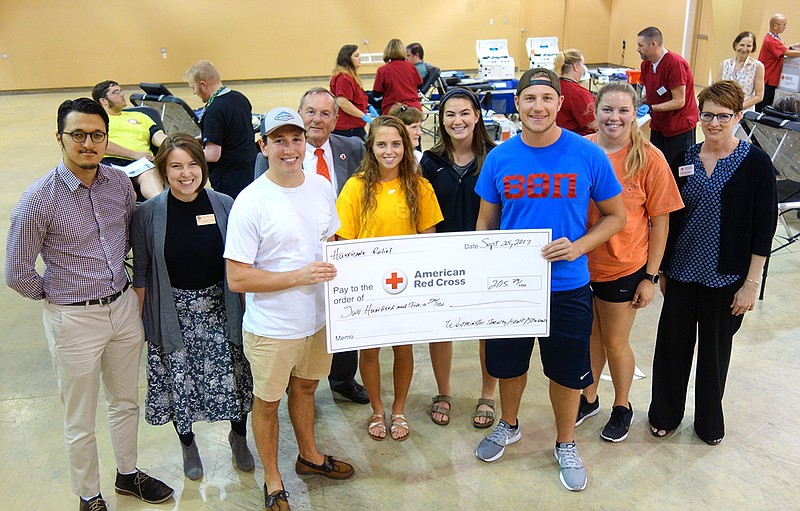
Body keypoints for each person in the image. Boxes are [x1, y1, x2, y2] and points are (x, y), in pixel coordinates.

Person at [5, 98, 174, 511]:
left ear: (106, 139)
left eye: (96, 135)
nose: (87, 143)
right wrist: (56, 295)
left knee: (125, 401)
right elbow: (16, 271)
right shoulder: (37, 200)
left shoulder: (118, 183)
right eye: (77, 134)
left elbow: (135, 233)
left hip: (121, 309)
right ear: (59, 138)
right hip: (73, 318)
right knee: (79, 417)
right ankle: (88, 495)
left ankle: (128, 475)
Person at [473, 69, 626, 491]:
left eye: (547, 98)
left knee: (565, 373)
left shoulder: (587, 154)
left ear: (560, 103)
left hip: (567, 285)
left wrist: (579, 246)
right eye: (529, 99)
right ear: (517, 105)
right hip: (512, 288)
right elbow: (485, 223)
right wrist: (482, 271)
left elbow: (617, 216)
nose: (538, 107)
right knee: (508, 365)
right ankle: (508, 424)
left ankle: (565, 442)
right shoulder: (500, 158)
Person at [225, 107, 354, 511]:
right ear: (263, 146)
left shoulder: (319, 186)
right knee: (266, 403)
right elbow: (238, 279)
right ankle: (272, 478)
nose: (289, 148)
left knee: (307, 387)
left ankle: (309, 456)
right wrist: (299, 277)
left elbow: (329, 238)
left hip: (318, 319)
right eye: (278, 140)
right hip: (273, 327)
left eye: (295, 139)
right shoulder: (251, 202)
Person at [648, 80, 778, 446]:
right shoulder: (683, 159)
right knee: (672, 349)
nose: (714, 123)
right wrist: (660, 269)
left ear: (738, 116)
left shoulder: (755, 164)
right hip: (682, 274)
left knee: (714, 354)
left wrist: (751, 283)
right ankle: (665, 414)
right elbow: (667, 219)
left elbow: (762, 228)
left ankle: (708, 422)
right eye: (707, 115)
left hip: (727, 278)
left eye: (723, 116)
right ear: (699, 115)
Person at [131, 134, 254, 481]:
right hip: (174, 314)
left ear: (202, 166)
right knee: (179, 386)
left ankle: (239, 437)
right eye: (176, 166)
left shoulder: (226, 204)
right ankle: (188, 444)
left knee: (234, 379)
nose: (186, 174)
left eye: (192, 165)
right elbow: (141, 270)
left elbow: (243, 261)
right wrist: (138, 322)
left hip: (221, 308)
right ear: (163, 170)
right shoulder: (148, 214)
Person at [575, 82, 684, 442]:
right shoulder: (581, 150)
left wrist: (650, 276)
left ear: (636, 113)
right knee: (590, 335)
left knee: (615, 341)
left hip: (624, 266)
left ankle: (622, 406)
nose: (615, 117)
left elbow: (662, 219)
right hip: (579, 266)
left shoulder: (649, 157)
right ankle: (588, 398)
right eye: (608, 109)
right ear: (595, 111)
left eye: (624, 110)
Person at [336, 115, 443, 442]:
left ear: (407, 145)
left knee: (403, 349)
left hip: (405, 287)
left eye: (396, 144)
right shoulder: (355, 188)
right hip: (369, 288)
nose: (389, 150)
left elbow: (429, 240)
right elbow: (343, 241)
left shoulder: (420, 186)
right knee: (369, 352)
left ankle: (398, 409)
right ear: (370, 147)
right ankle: (378, 410)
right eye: (381, 144)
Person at [419, 88, 498, 429]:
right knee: (441, 328)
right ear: (441, 120)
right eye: (450, 115)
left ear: (477, 116)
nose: (458, 120)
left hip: (485, 258)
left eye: (465, 113)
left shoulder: (495, 157)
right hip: (443, 260)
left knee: (487, 330)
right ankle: (444, 391)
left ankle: (488, 394)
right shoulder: (430, 162)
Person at [298, 87, 369, 404]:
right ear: (300, 113)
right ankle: (298, 382)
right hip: (302, 252)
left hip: (346, 251)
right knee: (304, 317)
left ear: (337, 118)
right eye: (311, 111)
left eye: (325, 113)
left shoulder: (352, 147)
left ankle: (342, 378)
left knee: (347, 314)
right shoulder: (280, 152)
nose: (317, 119)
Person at [186, 60, 256, 198]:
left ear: (203, 85)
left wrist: (187, 153)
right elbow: (233, 132)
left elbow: (213, 154)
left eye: (193, 88)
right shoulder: (240, 98)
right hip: (249, 172)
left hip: (228, 180)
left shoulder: (214, 110)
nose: (194, 93)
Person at [92, 80, 166, 198]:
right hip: (111, 163)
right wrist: (134, 154)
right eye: (116, 92)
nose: (122, 95)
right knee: (127, 193)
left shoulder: (140, 116)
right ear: (103, 100)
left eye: (121, 91)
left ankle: (162, 209)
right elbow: (99, 143)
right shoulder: (96, 120)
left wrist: (173, 143)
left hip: (142, 163)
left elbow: (157, 136)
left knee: (150, 177)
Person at [637, 26, 699, 165]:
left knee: (679, 167)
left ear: (653, 44)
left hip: (679, 126)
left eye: (640, 45)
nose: (637, 49)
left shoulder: (675, 64)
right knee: (657, 163)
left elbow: (679, 101)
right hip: (659, 125)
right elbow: (652, 93)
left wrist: (651, 108)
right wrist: (639, 103)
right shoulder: (646, 65)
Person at [756, 14, 800, 112]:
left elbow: (786, 48)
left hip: (769, 78)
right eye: (783, 25)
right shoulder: (770, 41)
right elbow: (787, 53)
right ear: (776, 26)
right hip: (768, 78)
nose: (785, 27)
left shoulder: (772, 38)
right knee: (764, 105)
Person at [330, 45, 372, 140]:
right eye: (356, 56)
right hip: (347, 128)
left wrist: (368, 106)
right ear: (347, 58)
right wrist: (363, 116)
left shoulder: (351, 77)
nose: (360, 58)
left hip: (354, 126)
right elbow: (342, 102)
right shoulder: (344, 78)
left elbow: (355, 98)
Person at [717, 32, 765, 112]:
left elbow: (759, 96)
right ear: (736, 45)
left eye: (748, 46)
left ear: (753, 48)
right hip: (724, 109)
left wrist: (738, 107)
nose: (744, 49)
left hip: (744, 111)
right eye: (742, 45)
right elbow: (717, 90)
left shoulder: (757, 67)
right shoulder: (724, 64)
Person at [373, 39, 423, 113]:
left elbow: (376, 93)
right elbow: (420, 85)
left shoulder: (382, 70)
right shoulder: (411, 66)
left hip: (393, 110)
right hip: (414, 108)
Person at [554, 49, 596, 135]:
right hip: (577, 139)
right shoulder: (578, 94)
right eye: (583, 64)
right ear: (576, 67)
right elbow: (593, 124)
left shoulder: (553, 87)